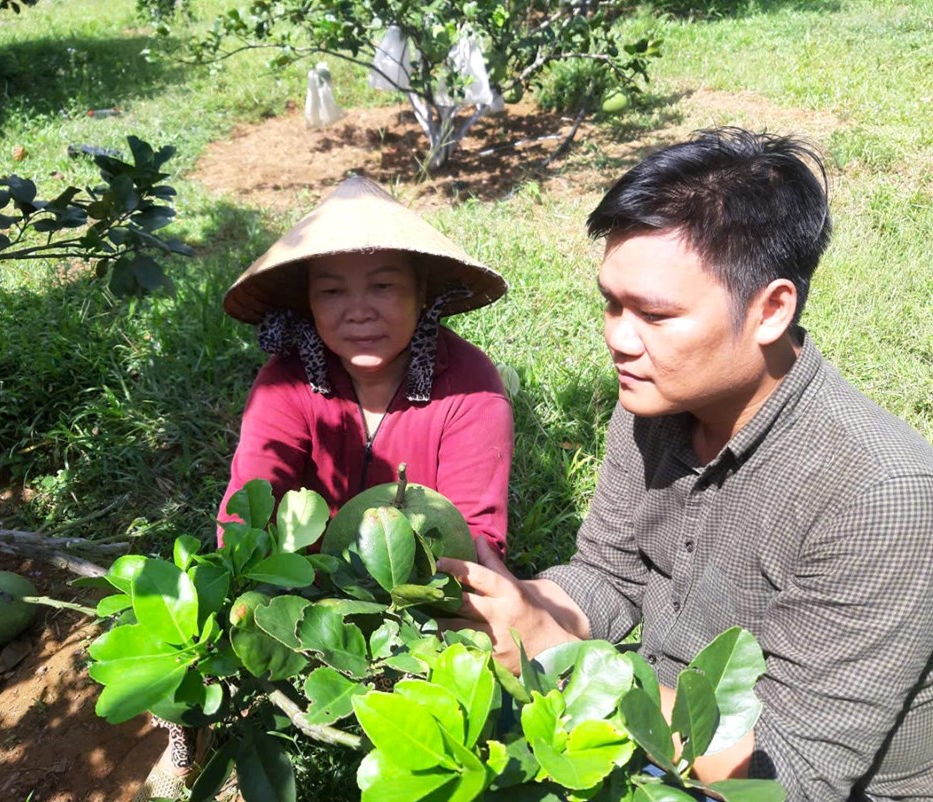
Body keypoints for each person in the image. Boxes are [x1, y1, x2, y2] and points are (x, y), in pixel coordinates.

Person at [438, 127, 933, 802]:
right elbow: (610, 573)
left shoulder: (881, 494)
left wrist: (565, 660)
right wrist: (522, 605)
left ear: (771, 310)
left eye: (655, 314)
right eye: (611, 304)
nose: (619, 338)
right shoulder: (655, 404)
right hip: (661, 742)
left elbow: (787, 778)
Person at [133, 175, 514, 801]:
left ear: (424, 294)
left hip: (420, 589)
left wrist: (432, 604)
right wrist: (256, 583)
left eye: (384, 286)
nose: (357, 311)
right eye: (331, 291)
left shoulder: (469, 386)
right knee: (201, 627)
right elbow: (249, 499)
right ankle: (194, 738)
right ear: (306, 305)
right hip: (301, 581)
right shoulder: (286, 382)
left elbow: (477, 532)